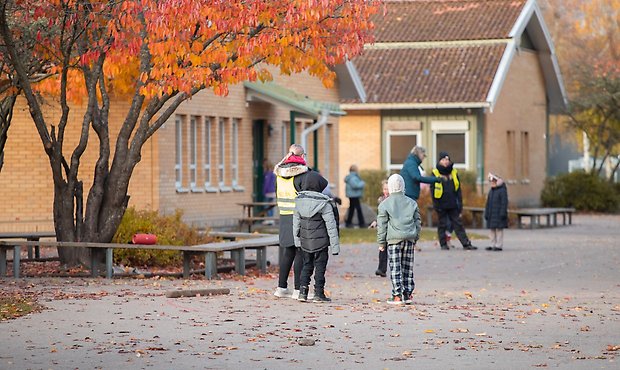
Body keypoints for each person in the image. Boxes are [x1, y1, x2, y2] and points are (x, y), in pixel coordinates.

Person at [293, 171, 340, 303]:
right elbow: (331, 226)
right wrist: (335, 247)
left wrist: (297, 242)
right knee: (320, 267)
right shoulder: (324, 204)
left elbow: (295, 225)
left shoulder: (298, 202)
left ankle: (302, 292)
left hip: (305, 242)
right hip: (321, 243)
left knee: (306, 265)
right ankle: (318, 293)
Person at [273, 144, 312, 299]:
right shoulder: (302, 174)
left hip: (284, 215)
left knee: (287, 252)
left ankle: (281, 287)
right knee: (300, 253)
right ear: (302, 156)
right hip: (299, 215)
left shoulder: (279, 173)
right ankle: (297, 289)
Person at [376, 174, 421, 305]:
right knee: (407, 267)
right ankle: (407, 294)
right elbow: (417, 221)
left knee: (396, 268)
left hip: (393, 240)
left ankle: (397, 295)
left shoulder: (385, 204)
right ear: (403, 186)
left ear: (389, 187)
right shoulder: (412, 203)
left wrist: (381, 242)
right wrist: (415, 237)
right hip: (409, 238)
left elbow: (382, 225)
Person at [430, 152, 478, 251]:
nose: (446, 162)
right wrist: (435, 204)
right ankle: (443, 244)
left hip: (453, 203)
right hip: (441, 204)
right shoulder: (435, 173)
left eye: (447, 160)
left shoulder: (454, 172)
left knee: (458, 224)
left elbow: (458, 189)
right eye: (443, 160)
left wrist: (460, 203)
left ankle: (466, 244)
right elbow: (432, 189)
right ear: (440, 161)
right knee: (442, 224)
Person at [368, 179, 389, 277]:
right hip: (383, 229)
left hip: (392, 228)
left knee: (393, 250)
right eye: (385, 189)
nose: (386, 191)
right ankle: (382, 269)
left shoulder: (394, 200)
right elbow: (380, 215)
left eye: (388, 189)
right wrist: (375, 222)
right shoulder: (381, 200)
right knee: (382, 249)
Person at [484, 173, 509, 251]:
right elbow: (488, 204)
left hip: (499, 214)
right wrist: (487, 213)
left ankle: (499, 245)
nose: (492, 184)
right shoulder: (491, 191)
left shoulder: (502, 191)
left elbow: (504, 203)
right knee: (492, 230)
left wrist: (503, 213)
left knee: (499, 230)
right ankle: (492, 244)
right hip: (492, 214)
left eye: (493, 182)